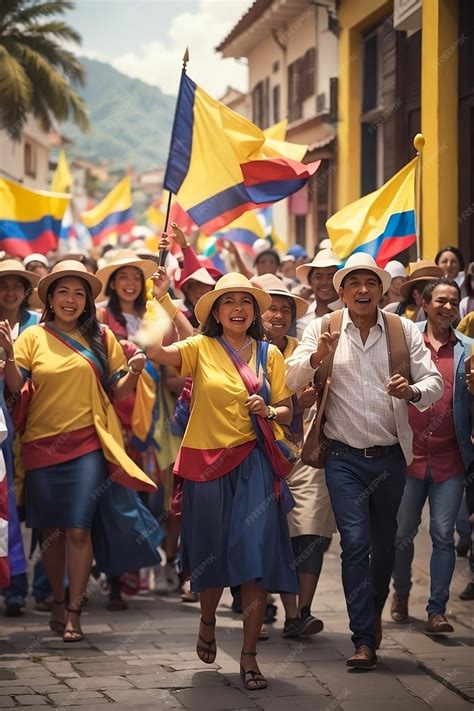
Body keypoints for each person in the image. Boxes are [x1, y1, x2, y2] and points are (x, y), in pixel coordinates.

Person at [286, 253, 444, 669]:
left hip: (390, 457)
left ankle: (371, 615)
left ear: (381, 290)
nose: (362, 290)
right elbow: (289, 379)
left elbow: (435, 383)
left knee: (384, 543)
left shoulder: (402, 329)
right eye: (353, 283)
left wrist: (411, 392)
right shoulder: (321, 329)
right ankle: (363, 638)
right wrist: (317, 356)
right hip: (342, 458)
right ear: (341, 293)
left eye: (370, 283)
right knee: (354, 543)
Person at [148, 270, 297, 691]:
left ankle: (249, 656)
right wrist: (157, 300)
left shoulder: (270, 354)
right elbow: (154, 351)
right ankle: (208, 619)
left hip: (254, 463)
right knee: (210, 555)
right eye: (228, 301)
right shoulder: (200, 346)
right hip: (205, 465)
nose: (237, 309)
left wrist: (267, 410)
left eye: (245, 302)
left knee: (254, 555)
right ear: (216, 310)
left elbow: (286, 409)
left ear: (254, 312)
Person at [0, 261, 161, 642]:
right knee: (49, 532)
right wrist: (7, 354)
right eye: (63, 292)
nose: (70, 300)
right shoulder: (32, 338)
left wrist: (135, 371)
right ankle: (57, 598)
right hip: (40, 445)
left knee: (77, 527)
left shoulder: (102, 337)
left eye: (78, 293)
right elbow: (15, 387)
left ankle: (74, 610)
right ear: (50, 300)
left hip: (89, 443)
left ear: (87, 300)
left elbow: (118, 392)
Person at [254, 273, 335, 638]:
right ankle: (276, 608)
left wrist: (308, 401)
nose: (279, 314)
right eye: (272, 307)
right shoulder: (239, 350)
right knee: (273, 532)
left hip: (305, 452)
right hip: (258, 453)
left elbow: (322, 385)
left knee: (312, 529)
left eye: (286, 309)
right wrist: (290, 405)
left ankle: (301, 610)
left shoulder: (304, 347)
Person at [391, 279, 473, 632]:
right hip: (408, 456)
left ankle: (436, 609)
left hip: (450, 458)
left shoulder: (468, 349)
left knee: (443, 536)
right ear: (424, 304)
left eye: (454, 301)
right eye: (441, 300)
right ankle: (401, 593)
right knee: (402, 534)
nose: (448, 306)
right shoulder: (407, 341)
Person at [0, 260, 40, 616]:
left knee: (26, 510)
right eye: (3, 285)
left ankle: (24, 586)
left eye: (17, 285)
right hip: (3, 429)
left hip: (34, 427)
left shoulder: (37, 324)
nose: (10, 292)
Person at [294, 249, 342, 337]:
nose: (324, 282)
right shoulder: (301, 320)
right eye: (318, 276)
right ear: (310, 281)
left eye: (331, 276)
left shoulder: (351, 314)